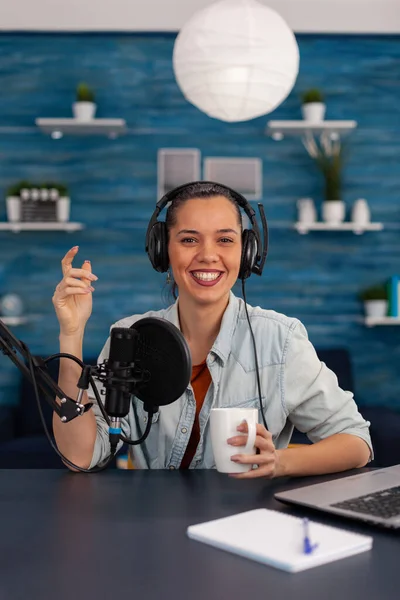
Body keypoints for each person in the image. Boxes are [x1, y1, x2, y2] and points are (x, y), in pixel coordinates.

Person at [52, 181, 372, 477]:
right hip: (153, 525)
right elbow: (81, 457)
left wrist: (280, 462)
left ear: (246, 252)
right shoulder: (131, 337)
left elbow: (356, 441)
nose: (207, 255)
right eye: (189, 239)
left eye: (225, 240)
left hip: (249, 523)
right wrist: (72, 334)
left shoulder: (281, 340)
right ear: (163, 250)